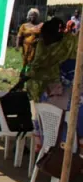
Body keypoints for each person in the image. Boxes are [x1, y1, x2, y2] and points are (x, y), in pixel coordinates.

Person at [12, 18, 82, 149]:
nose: (44, 40)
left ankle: (43, 144)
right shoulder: (44, 44)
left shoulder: (70, 44)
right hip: (52, 93)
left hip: (60, 88)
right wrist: (23, 80)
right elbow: (37, 64)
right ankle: (43, 144)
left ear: (56, 34)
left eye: (46, 37)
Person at [16, 8, 43, 74]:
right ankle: (23, 72)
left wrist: (39, 40)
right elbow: (19, 36)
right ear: (28, 16)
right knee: (25, 60)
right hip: (25, 46)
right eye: (31, 15)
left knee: (32, 61)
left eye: (35, 15)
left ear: (37, 17)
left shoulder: (40, 26)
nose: (33, 17)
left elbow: (44, 36)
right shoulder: (24, 26)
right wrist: (17, 45)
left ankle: (29, 74)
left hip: (35, 47)